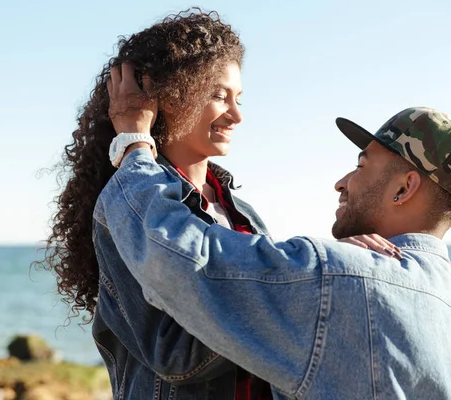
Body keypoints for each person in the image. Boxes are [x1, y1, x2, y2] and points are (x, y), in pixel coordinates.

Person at [98, 75, 451, 399]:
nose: (341, 182)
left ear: (404, 188)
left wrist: (133, 144)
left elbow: (175, 254)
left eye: (362, 166)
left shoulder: (340, 280)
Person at [38, 8, 279, 399]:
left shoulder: (244, 214)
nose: (236, 115)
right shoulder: (124, 207)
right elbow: (176, 353)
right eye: (218, 95)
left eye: (239, 98)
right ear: (164, 96)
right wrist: (291, 301)